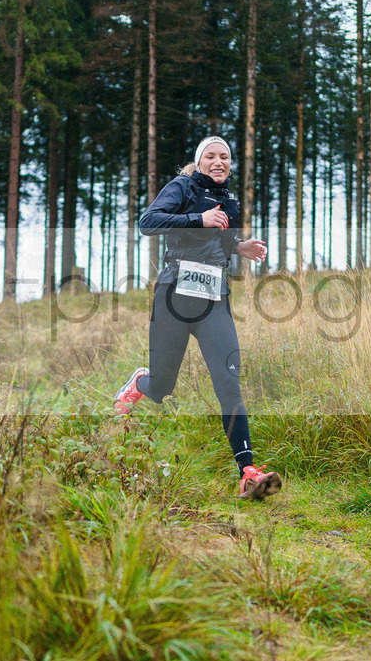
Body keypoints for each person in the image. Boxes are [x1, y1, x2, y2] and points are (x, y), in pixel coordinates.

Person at [114, 136, 282, 501]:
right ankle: (140, 383)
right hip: (174, 298)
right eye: (211, 156)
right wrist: (198, 218)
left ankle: (248, 472)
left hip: (213, 301)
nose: (218, 161)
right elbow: (148, 222)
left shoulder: (229, 200)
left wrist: (239, 246)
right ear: (200, 161)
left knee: (229, 384)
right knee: (162, 387)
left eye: (225, 156)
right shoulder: (182, 186)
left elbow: (218, 242)